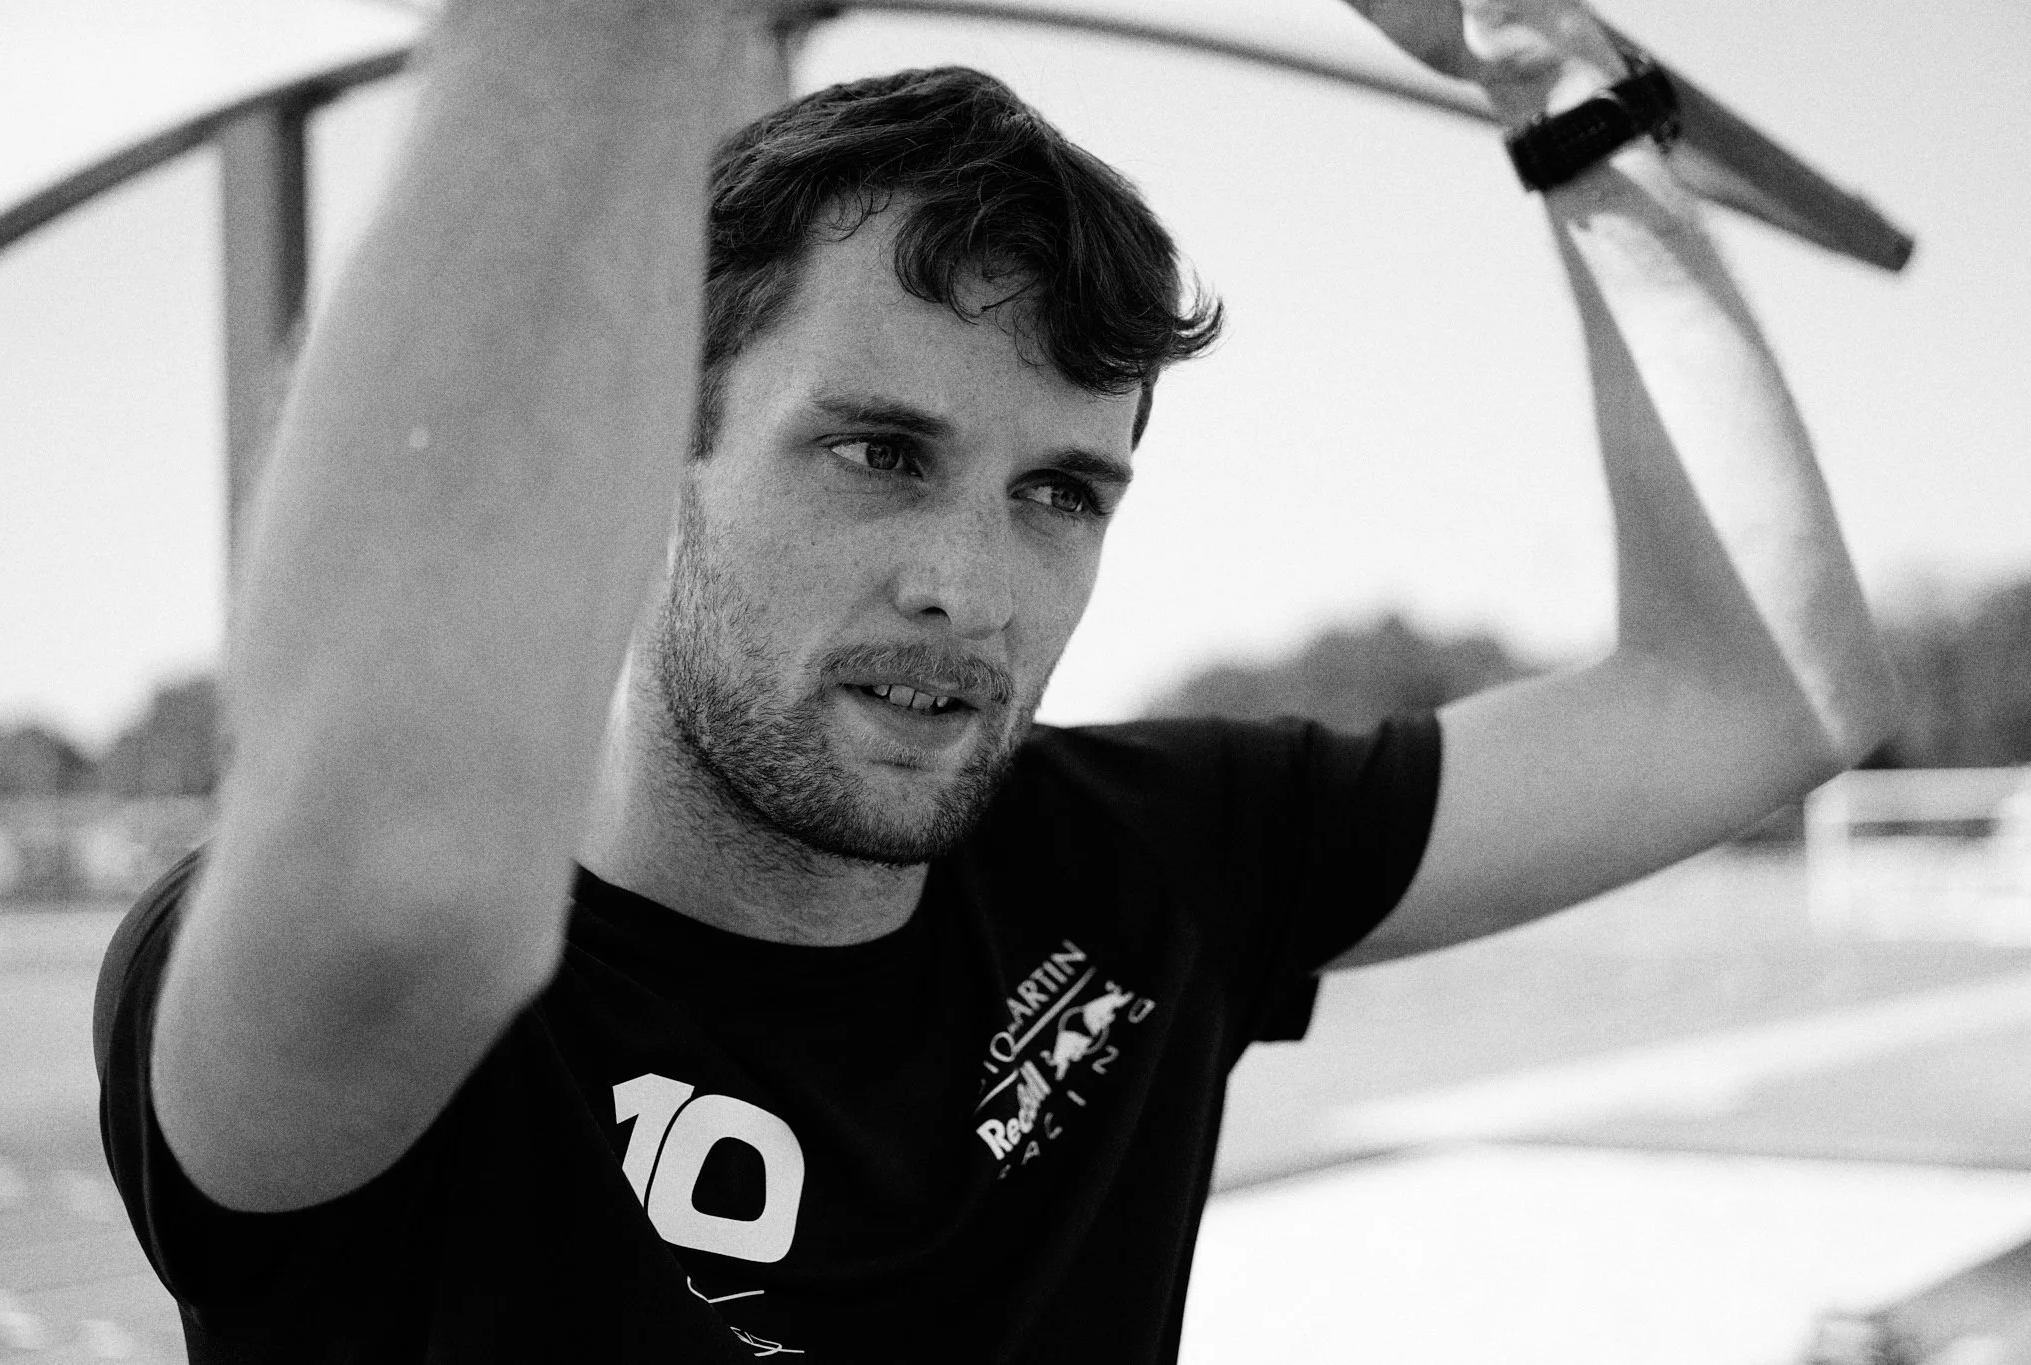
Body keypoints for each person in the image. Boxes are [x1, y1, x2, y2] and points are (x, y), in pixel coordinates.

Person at [93, 0, 1900, 1360]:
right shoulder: (299, 974)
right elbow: (399, 884)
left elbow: (1759, 698)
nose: (969, 585)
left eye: (1060, 492)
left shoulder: (1148, 857)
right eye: (877, 450)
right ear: (654, 445)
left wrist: (1563, 96)